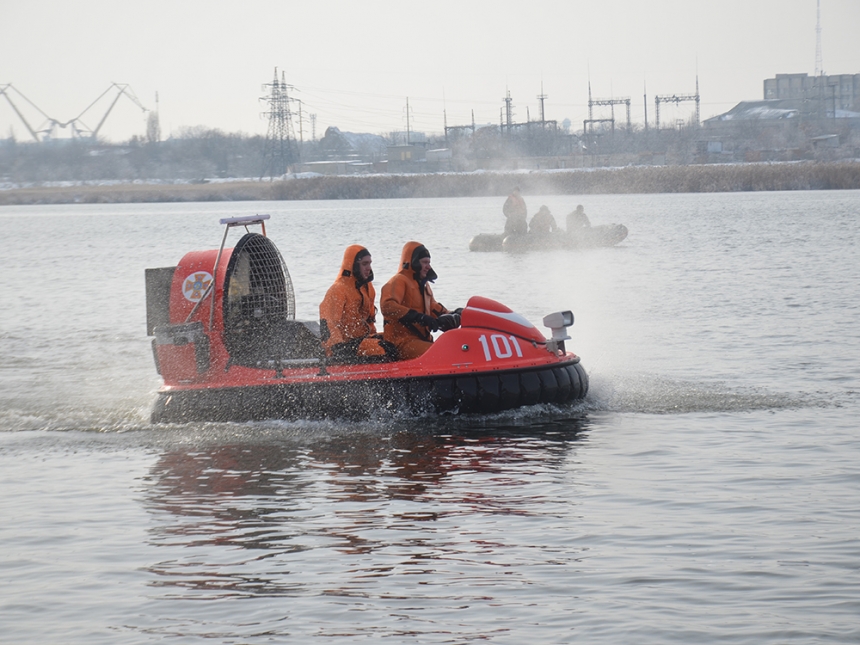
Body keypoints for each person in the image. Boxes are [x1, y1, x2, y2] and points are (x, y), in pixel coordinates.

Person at [381, 241, 460, 360]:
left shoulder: (424, 286)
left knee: (455, 348)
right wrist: (418, 317)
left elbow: (434, 308)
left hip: (420, 341)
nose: (428, 266)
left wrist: (456, 314)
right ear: (413, 262)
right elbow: (387, 306)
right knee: (442, 355)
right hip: (402, 343)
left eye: (429, 262)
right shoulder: (399, 281)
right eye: (424, 262)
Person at [319, 245, 394, 362]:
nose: (369, 268)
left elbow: (369, 321)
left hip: (361, 340)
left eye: (370, 263)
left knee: (393, 341)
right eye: (365, 264)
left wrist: (376, 337)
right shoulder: (338, 289)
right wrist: (337, 347)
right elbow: (329, 323)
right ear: (353, 265)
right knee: (384, 348)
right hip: (340, 347)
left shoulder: (367, 287)